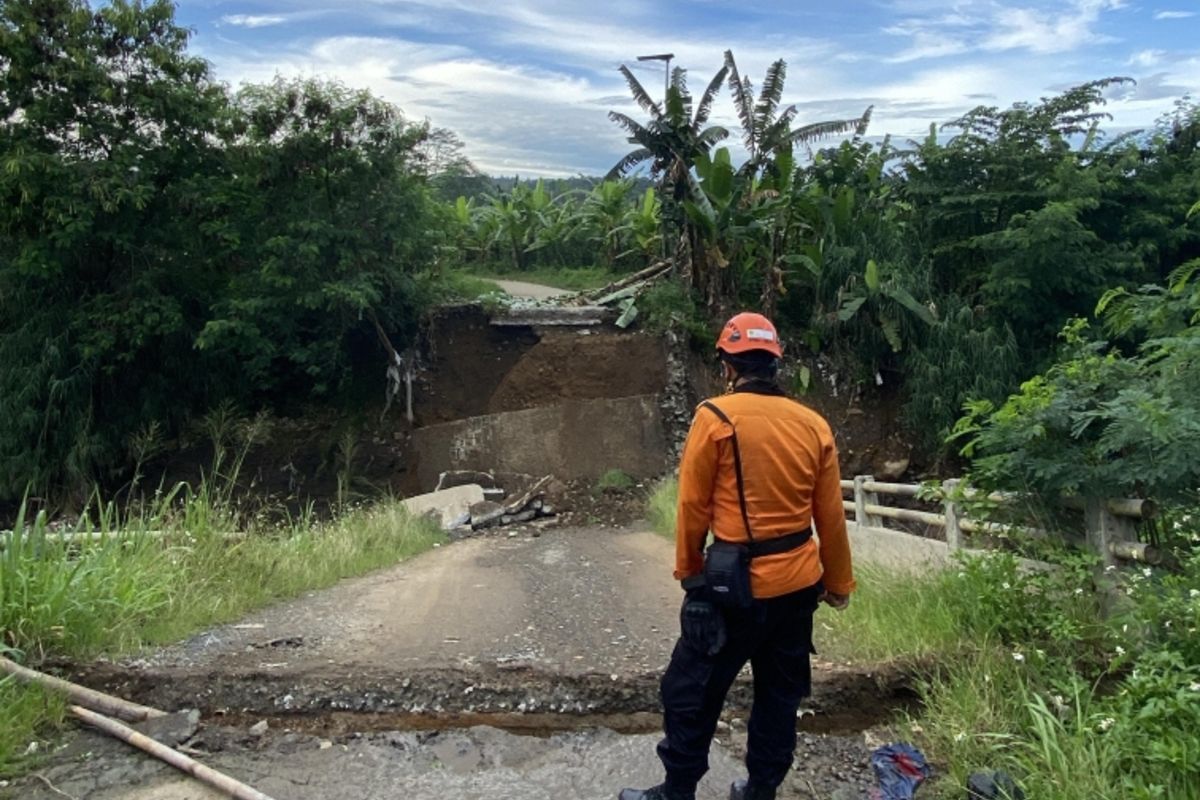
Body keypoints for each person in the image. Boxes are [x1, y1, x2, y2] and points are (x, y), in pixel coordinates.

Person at [619, 311, 855, 800]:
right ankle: (760, 790)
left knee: (691, 691)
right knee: (779, 696)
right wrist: (838, 584)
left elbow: (692, 504)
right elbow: (830, 516)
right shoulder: (814, 426)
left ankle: (677, 790)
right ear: (775, 364)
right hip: (797, 590)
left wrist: (689, 572)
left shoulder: (716, 417)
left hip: (733, 592)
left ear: (727, 365)